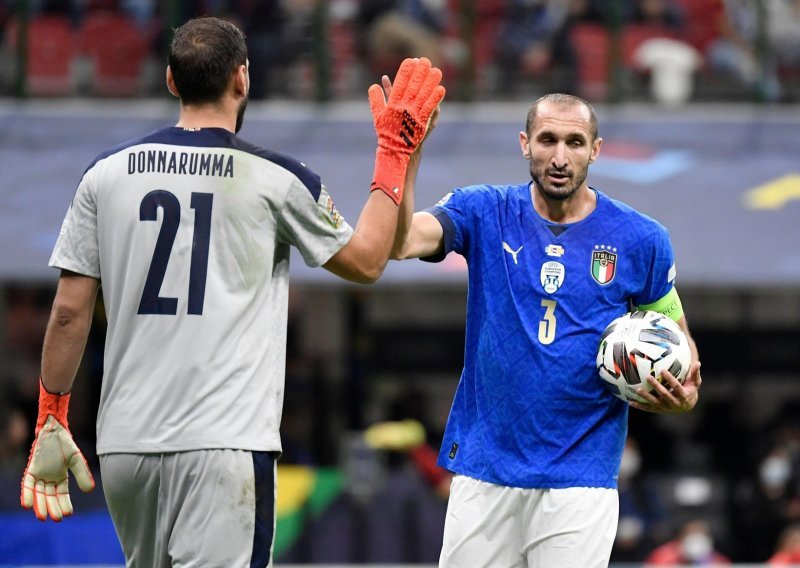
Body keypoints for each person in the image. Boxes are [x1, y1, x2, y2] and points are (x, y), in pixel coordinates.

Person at [18, 16, 444, 568]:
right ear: (242, 78)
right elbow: (367, 262)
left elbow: (69, 314)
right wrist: (394, 152)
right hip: (225, 446)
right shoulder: (276, 179)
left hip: (125, 447)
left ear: (171, 81)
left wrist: (52, 414)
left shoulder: (105, 175)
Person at [388, 91, 702, 566]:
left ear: (595, 150)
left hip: (581, 479)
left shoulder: (642, 239)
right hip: (483, 471)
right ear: (524, 143)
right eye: (547, 139)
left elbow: (682, 348)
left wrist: (685, 392)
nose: (559, 157)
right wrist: (404, 158)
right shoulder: (483, 210)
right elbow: (402, 241)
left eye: (575, 142)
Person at [644, 519, 731, 565]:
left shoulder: (717, 560)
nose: (696, 539)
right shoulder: (663, 555)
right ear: (681, 537)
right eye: (692, 534)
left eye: (701, 534)